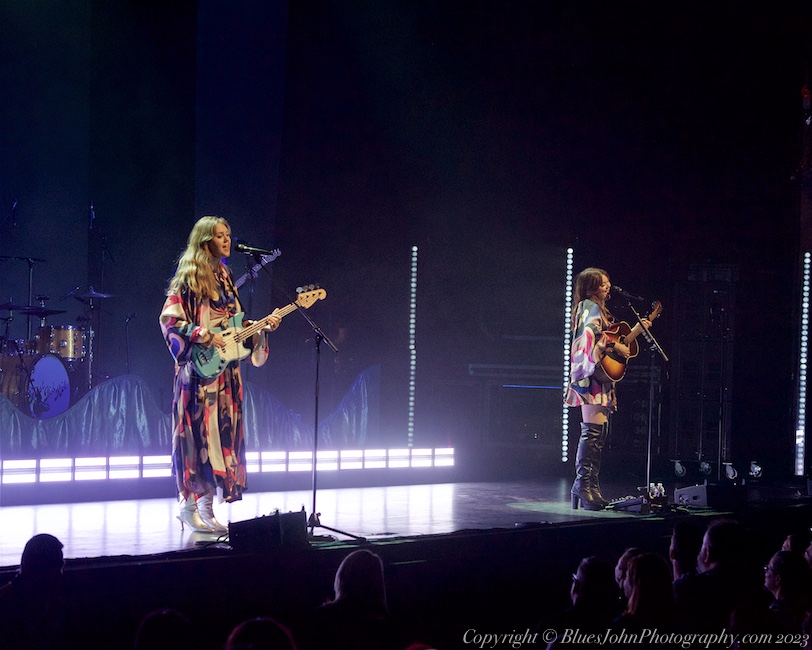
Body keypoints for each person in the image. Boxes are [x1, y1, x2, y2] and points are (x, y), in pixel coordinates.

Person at [160, 216, 281, 533]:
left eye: (228, 234)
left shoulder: (225, 277)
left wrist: (259, 328)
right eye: (219, 235)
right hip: (198, 374)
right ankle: (189, 506)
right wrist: (201, 334)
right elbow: (169, 320)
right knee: (197, 437)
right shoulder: (189, 278)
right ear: (205, 241)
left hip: (224, 373)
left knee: (218, 439)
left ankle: (205, 508)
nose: (227, 240)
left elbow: (233, 324)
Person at [565, 268, 649, 510]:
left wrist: (630, 335)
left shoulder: (597, 309)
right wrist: (610, 347)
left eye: (608, 282)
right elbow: (588, 337)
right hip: (591, 377)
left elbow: (606, 338)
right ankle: (583, 486)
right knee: (592, 434)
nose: (608, 286)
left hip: (597, 377)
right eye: (602, 283)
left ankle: (589, 486)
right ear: (591, 287)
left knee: (597, 435)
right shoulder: (589, 307)